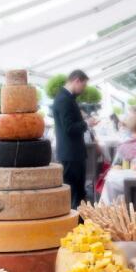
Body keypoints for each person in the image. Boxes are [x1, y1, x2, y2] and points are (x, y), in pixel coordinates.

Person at [52, 69, 98, 209]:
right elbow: (69, 128)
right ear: (76, 80)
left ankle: (79, 223)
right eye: (83, 86)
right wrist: (86, 123)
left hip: (71, 152)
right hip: (71, 154)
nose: (83, 90)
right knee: (74, 193)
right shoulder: (64, 100)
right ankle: (75, 225)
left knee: (77, 192)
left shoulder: (65, 98)